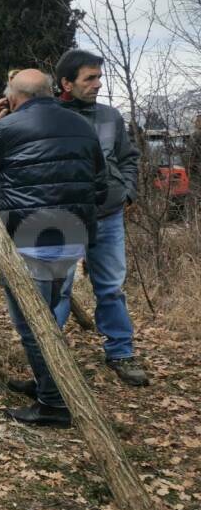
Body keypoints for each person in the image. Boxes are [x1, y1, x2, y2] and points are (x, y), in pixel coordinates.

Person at [0, 69, 107, 428]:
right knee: (48, 319)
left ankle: (54, 404)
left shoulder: (4, 128)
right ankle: (48, 382)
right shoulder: (81, 125)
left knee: (34, 326)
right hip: (72, 240)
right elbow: (100, 185)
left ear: (12, 98)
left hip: (29, 244)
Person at [53, 49, 147, 387]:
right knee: (58, 289)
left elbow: (128, 157)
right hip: (64, 218)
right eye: (89, 79)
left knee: (110, 288)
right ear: (66, 82)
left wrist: (128, 192)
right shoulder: (49, 117)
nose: (97, 85)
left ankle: (121, 352)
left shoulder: (111, 117)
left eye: (99, 78)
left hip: (107, 216)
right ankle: (50, 358)